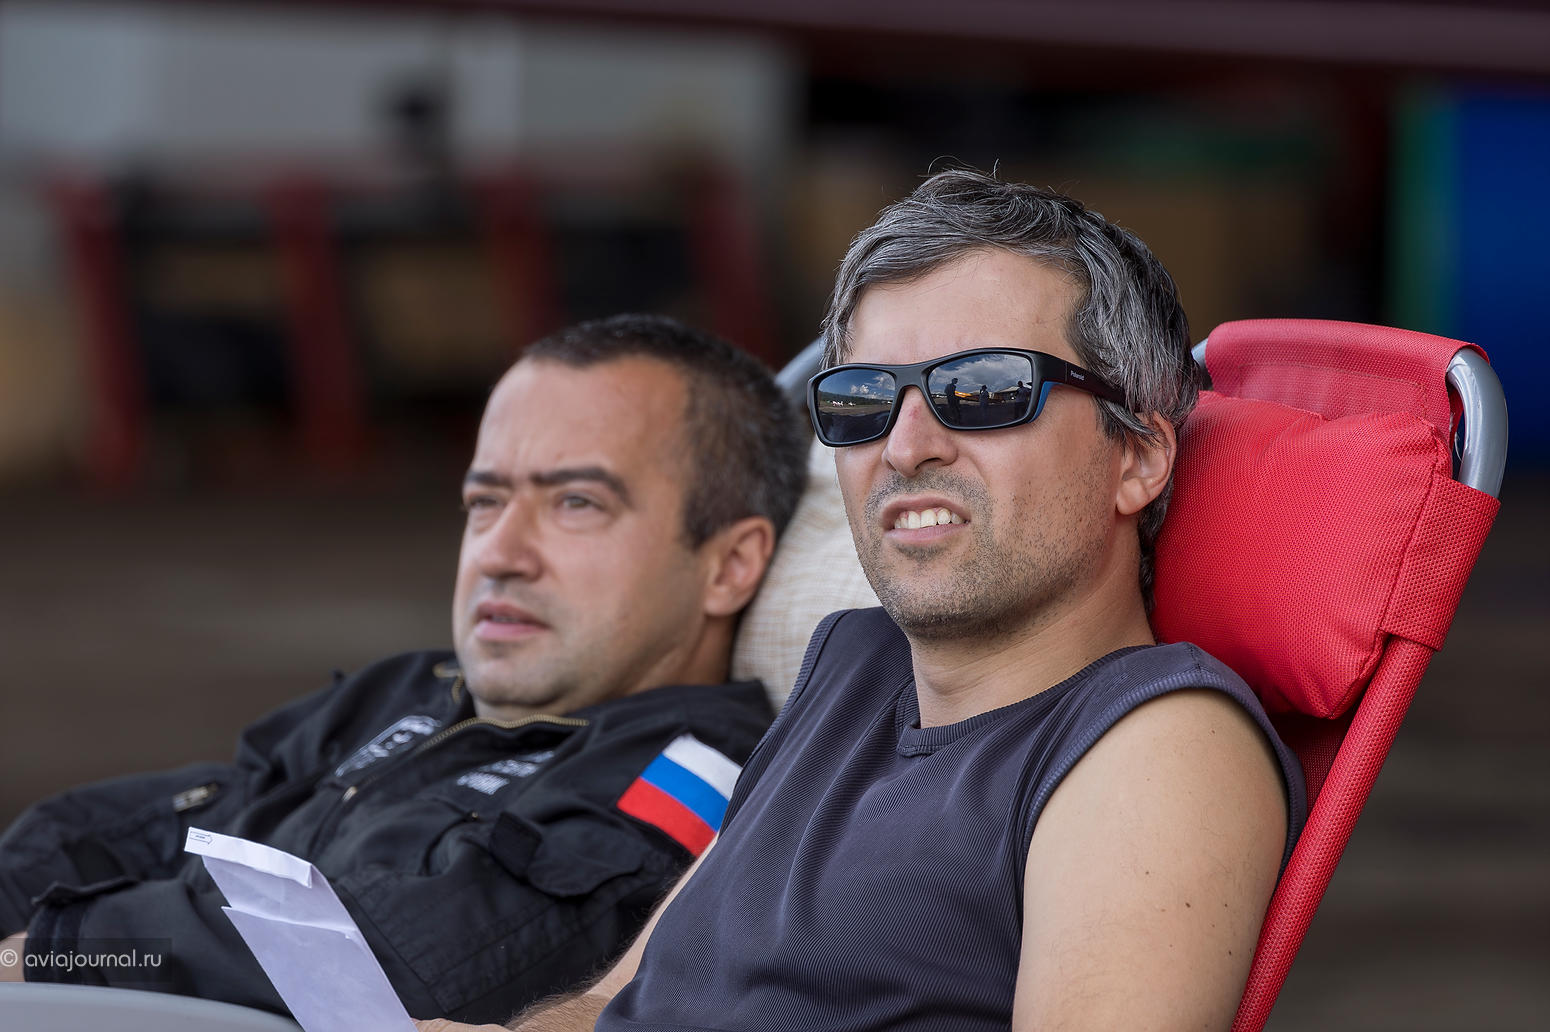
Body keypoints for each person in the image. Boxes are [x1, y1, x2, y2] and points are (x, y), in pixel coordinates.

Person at [421, 169, 1309, 1032]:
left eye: (982, 391)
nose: (905, 445)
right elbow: (619, 1000)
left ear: (1137, 458)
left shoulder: (1151, 746)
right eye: (862, 400)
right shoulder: (850, 666)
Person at [0, 314, 809, 1025]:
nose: (499, 553)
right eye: (485, 501)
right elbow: (146, 828)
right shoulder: (409, 690)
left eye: (576, 503)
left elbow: (399, 962)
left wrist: (55, 953)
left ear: (730, 565)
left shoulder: (699, 773)